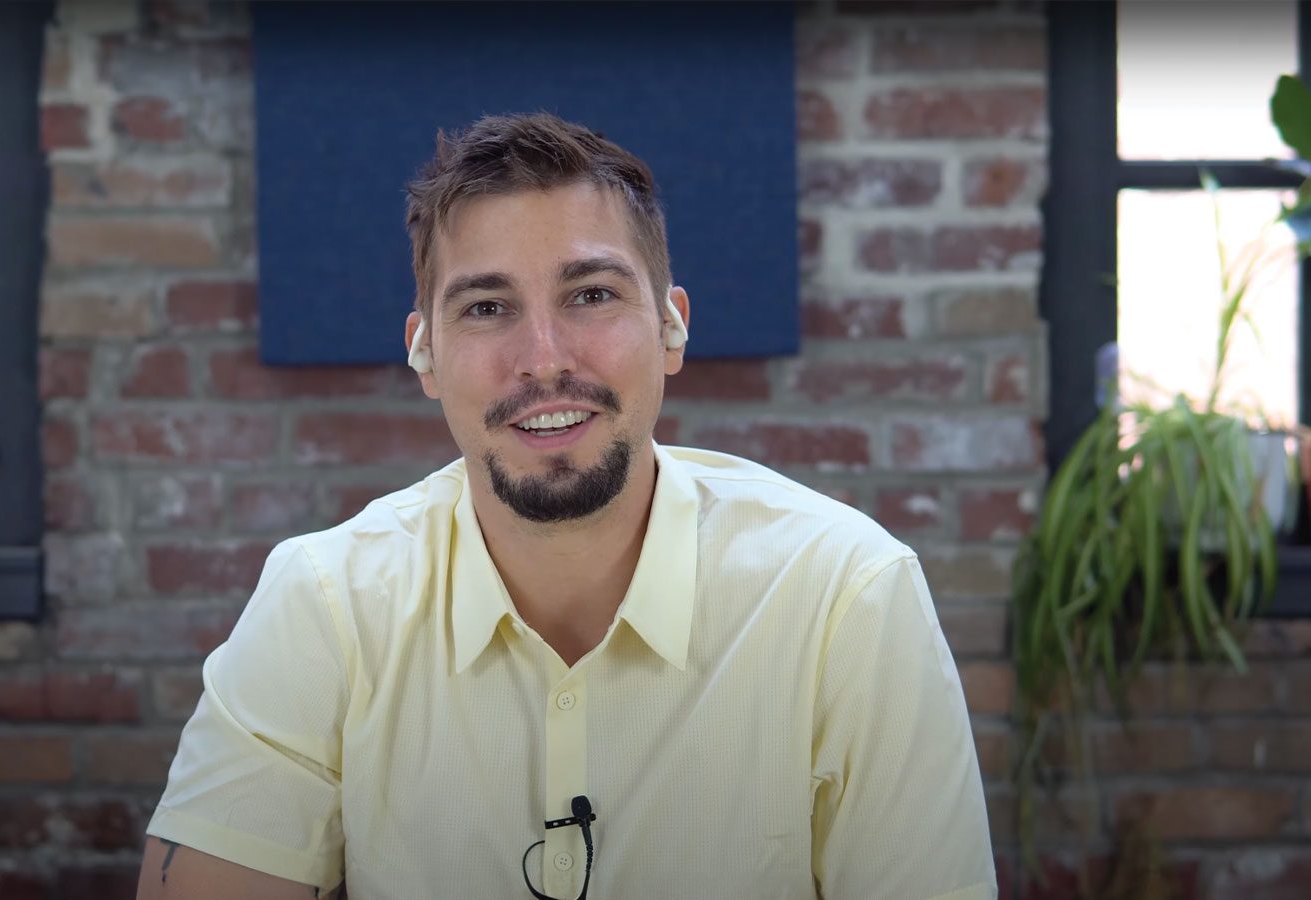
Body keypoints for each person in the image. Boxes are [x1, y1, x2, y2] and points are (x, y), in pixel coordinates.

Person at [136, 113, 997, 900]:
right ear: (425, 354)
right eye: (486, 307)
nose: (542, 359)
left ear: (671, 327)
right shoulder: (321, 605)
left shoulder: (847, 595)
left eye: (590, 295)